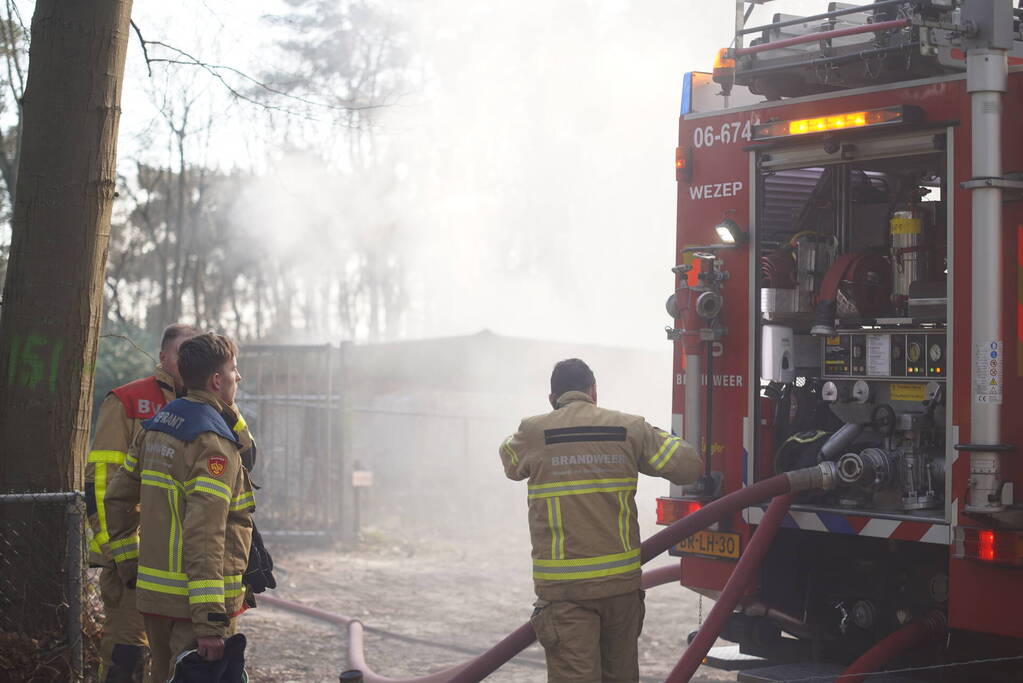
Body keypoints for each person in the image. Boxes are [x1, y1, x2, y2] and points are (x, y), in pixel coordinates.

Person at [500, 358, 702, 683]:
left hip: (567, 594)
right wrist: (646, 435)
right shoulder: (631, 428)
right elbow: (689, 466)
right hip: (620, 590)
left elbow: (510, 462)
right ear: (593, 391)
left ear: (552, 398)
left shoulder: (534, 431)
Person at [104, 333, 256, 683]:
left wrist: (129, 563)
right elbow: (204, 535)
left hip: (154, 600)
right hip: (194, 607)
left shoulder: (155, 427)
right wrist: (209, 623)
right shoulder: (212, 443)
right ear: (216, 380)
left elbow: (117, 500)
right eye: (234, 370)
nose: (238, 377)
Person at [87, 323, 198, 682]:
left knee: (185, 661)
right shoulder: (129, 401)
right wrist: (121, 554)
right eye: (183, 352)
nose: (191, 360)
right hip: (134, 564)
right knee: (127, 657)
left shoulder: (213, 407)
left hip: (188, 565)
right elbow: (102, 482)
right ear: (163, 357)